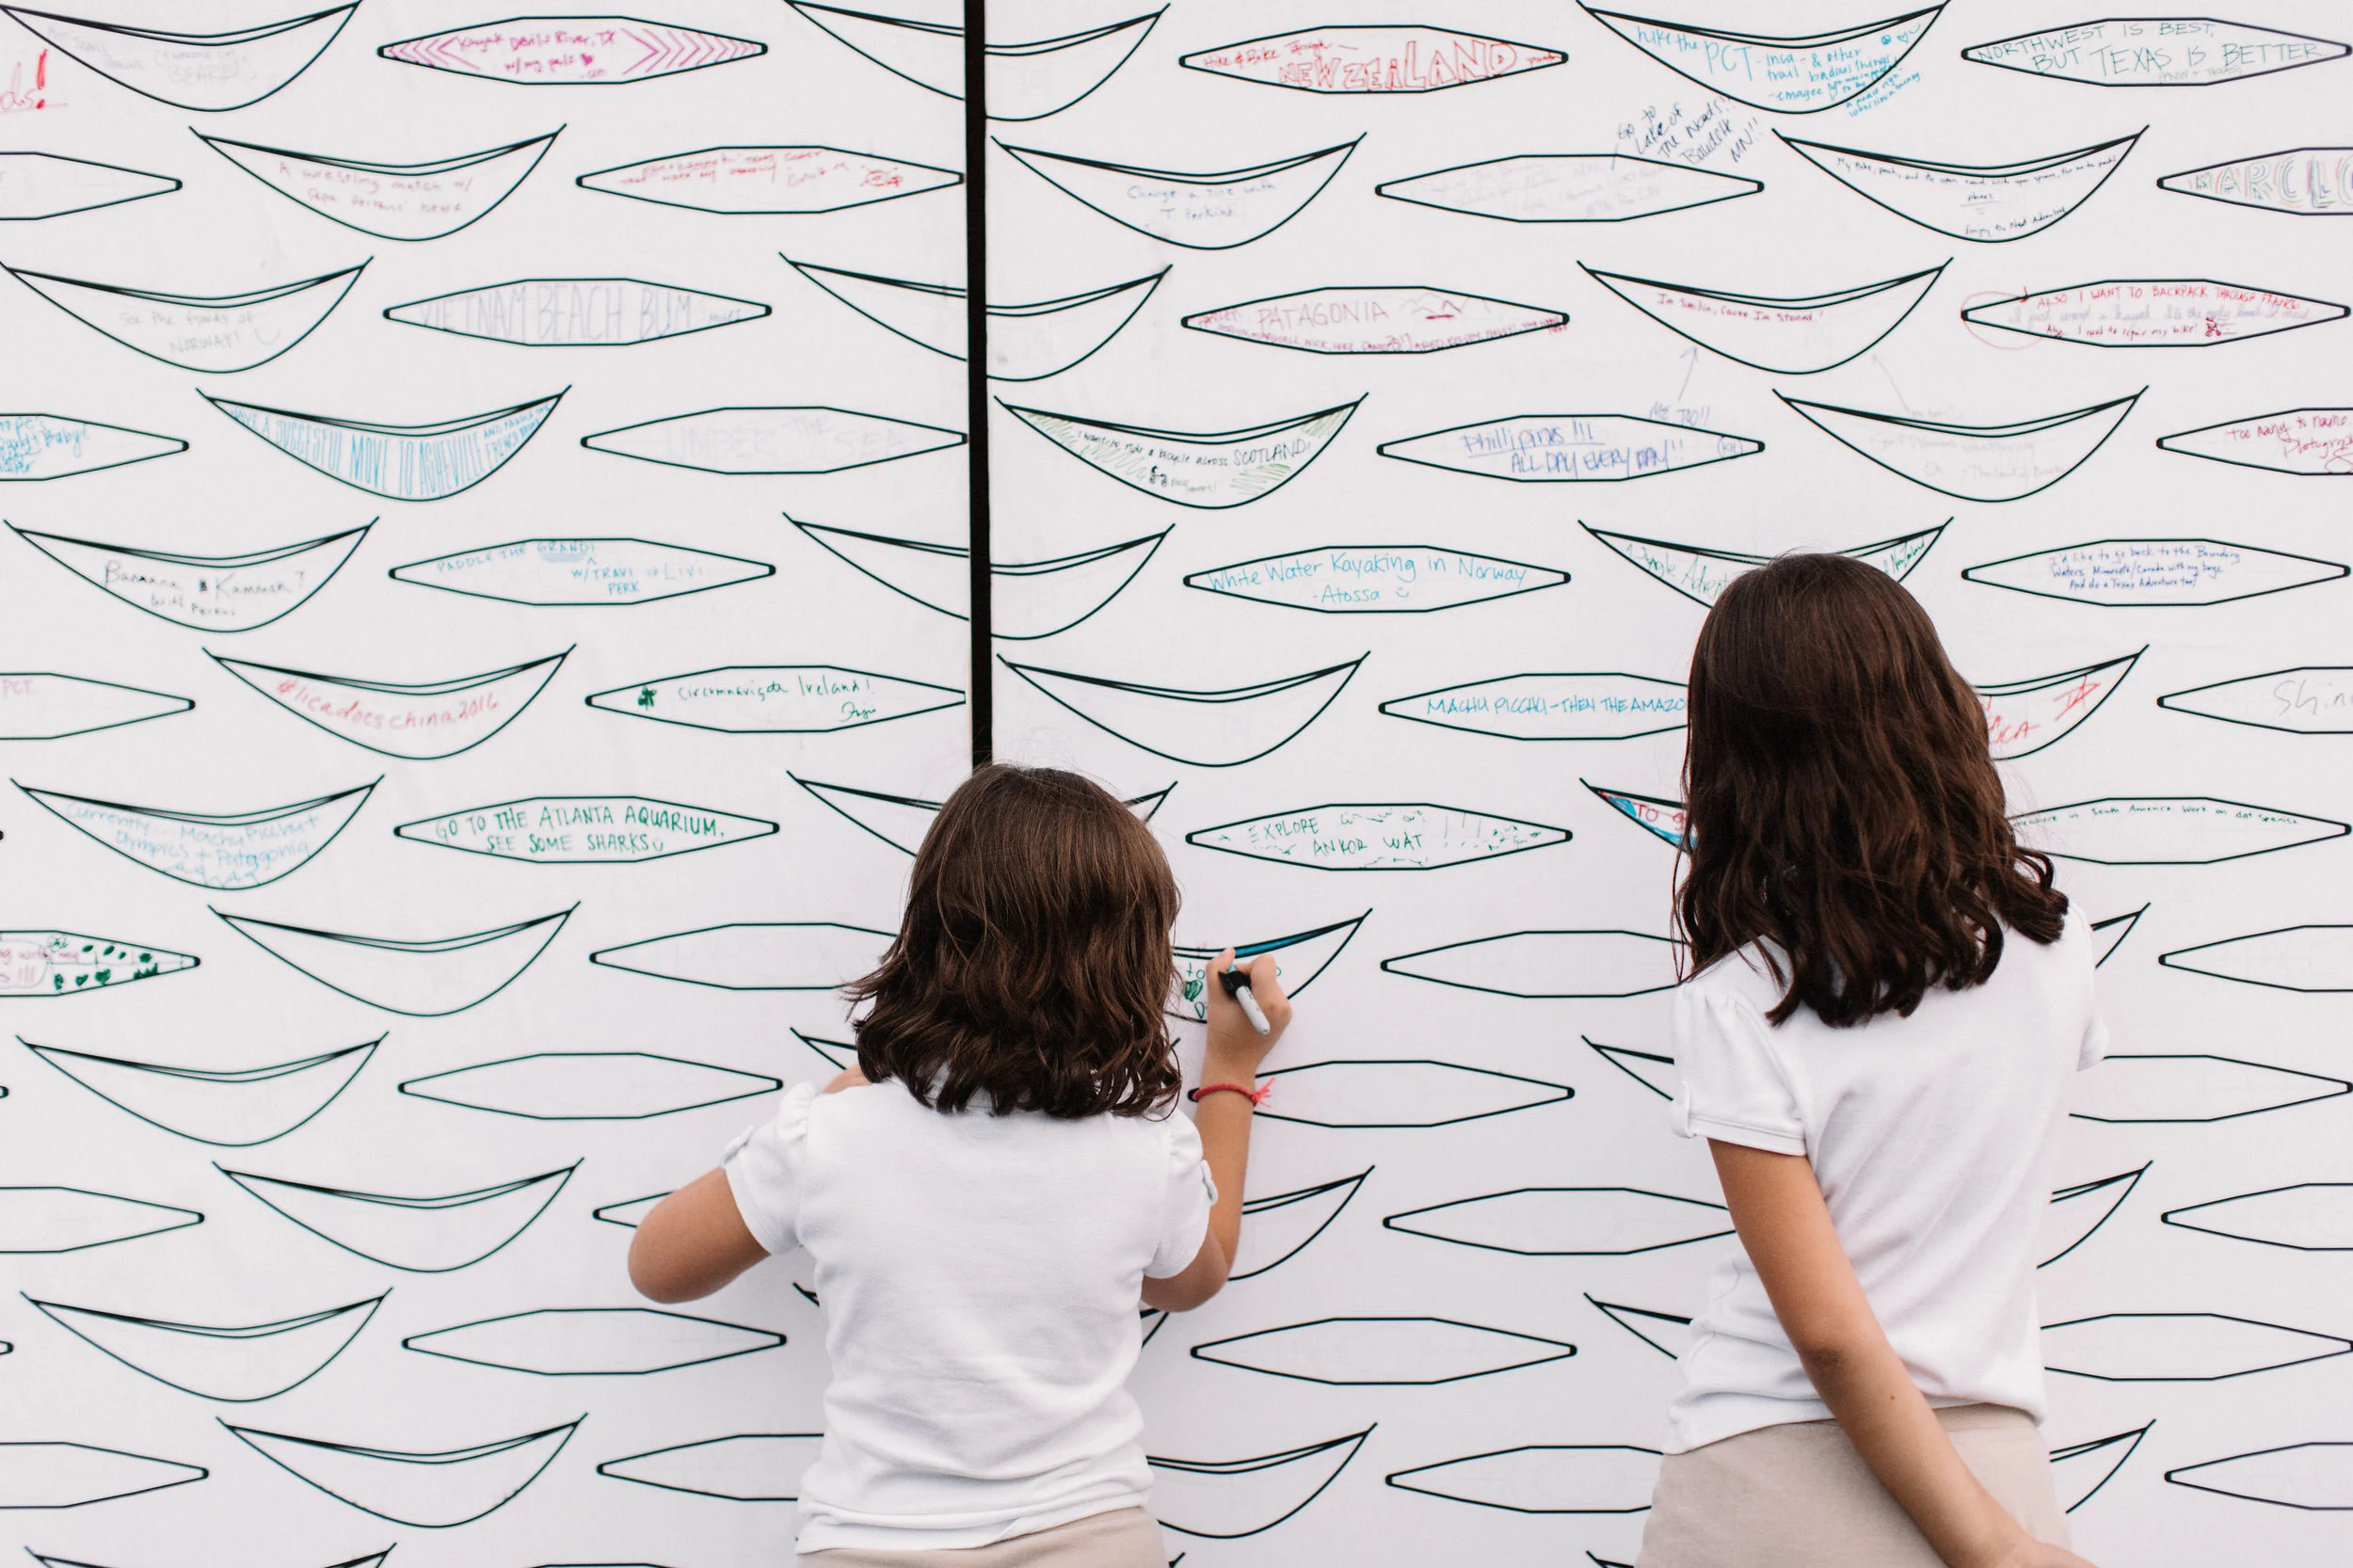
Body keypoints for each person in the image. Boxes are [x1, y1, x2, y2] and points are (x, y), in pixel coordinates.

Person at [626, 762, 1289, 1566]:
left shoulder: (828, 1138)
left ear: (928, 937)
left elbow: (659, 1267)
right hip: (1091, 1540)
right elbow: (1193, 1279)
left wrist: (858, 1084)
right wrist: (1229, 1069)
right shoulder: (1145, 1151)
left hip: (870, 1547)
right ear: (1130, 966)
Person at [1637, 554, 2105, 1568]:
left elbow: (1830, 1334)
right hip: (1995, 1463)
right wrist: (1996, 1536)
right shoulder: (2056, 947)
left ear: (1735, 754)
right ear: (1934, 707)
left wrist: (1986, 1547)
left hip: (1771, 1481)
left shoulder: (1744, 996)